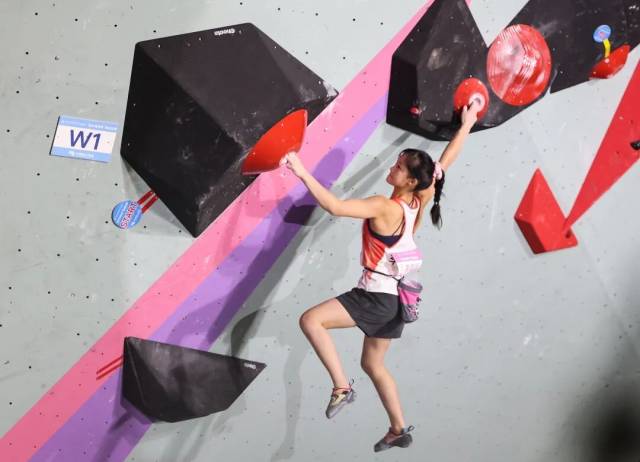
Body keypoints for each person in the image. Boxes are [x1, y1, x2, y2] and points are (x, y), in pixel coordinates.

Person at [282, 101, 480, 452]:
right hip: (397, 303)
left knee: (311, 320)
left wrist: (300, 169)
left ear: (410, 181)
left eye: (398, 167)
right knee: (373, 364)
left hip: (375, 297)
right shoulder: (418, 200)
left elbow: (335, 206)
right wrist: (466, 124)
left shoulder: (384, 206)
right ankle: (398, 429)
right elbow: (445, 163)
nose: (392, 167)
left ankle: (342, 387)